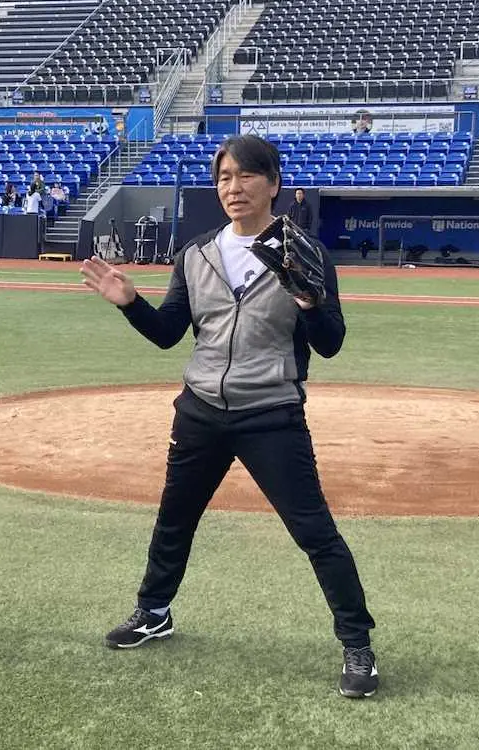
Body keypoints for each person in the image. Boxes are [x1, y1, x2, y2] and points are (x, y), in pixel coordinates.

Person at [80, 134, 379, 699]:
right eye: (223, 177)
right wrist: (130, 304)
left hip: (271, 413)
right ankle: (154, 610)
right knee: (174, 518)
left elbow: (331, 343)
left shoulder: (304, 252)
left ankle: (357, 643)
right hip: (200, 411)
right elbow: (170, 334)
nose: (232, 188)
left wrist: (309, 300)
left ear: (273, 183)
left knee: (315, 532)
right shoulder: (196, 253)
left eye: (244, 176)